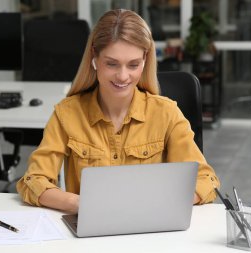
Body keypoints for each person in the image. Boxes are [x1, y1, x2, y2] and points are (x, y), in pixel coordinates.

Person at [16, 9, 220, 214]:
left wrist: (162, 203)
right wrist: (80, 204)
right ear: (94, 57)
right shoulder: (67, 114)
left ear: (145, 60)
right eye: (112, 64)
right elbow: (34, 181)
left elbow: (206, 181)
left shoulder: (166, 113)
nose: (123, 76)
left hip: (151, 230)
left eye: (133, 65)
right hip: (91, 234)